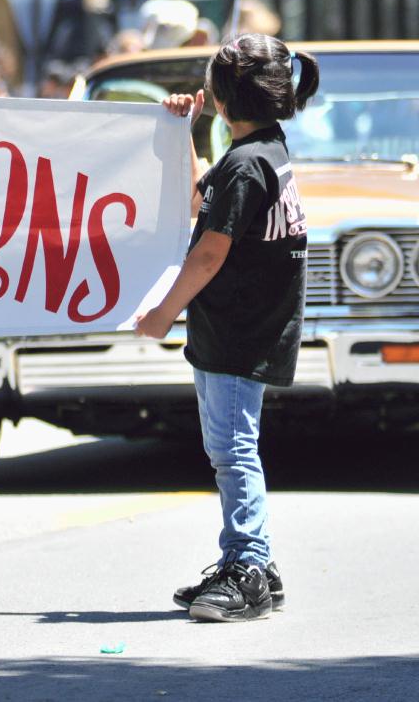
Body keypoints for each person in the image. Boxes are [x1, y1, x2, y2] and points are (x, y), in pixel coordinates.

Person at [135, 33, 318, 623]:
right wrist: (183, 133)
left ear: (223, 95)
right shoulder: (265, 152)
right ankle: (254, 564)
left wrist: (164, 310)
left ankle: (247, 570)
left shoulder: (247, 165)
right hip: (238, 329)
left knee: (234, 452)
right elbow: (197, 201)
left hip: (241, 332)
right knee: (227, 448)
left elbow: (209, 253)